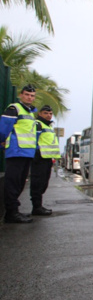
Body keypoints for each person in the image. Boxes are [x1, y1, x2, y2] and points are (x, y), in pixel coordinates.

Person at [0, 85, 38, 223]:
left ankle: (15, 211)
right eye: (27, 94)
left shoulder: (30, 112)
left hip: (26, 152)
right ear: (21, 95)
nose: (30, 97)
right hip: (16, 151)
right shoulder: (14, 109)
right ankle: (11, 213)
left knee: (20, 183)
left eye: (32, 95)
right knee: (12, 183)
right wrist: (2, 142)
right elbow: (3, 128)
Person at [29, 105, 61, 216]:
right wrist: (37, 153)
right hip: (39, 159)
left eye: (50, 113)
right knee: (37, 183)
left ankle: (39, 206)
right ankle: (36, 207)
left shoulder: (48, 126)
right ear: (40, 114)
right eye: (46, 113)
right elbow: (34, 139)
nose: (48, 115)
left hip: (47, 159)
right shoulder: (38, 125)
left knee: (43, 183)